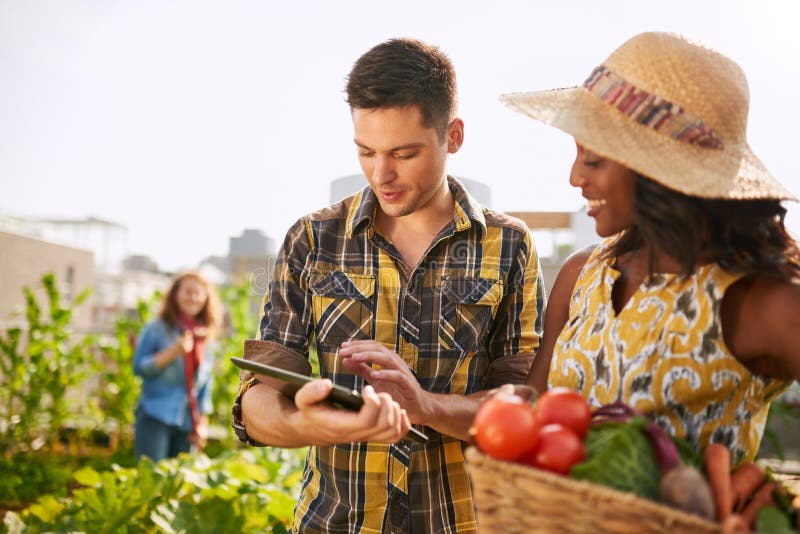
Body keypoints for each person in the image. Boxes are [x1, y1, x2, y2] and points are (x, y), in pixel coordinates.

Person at [232, 37, 545, 533]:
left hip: (461, 521)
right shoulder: (312, 239)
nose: (383, 175)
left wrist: (426, 407)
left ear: (454, 135)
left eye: (404, 153)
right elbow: (256, 399)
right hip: (333, 521)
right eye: (366, 151)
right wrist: (305, 423)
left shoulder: (509, 245)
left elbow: (523, 404)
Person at [500, 32, 800, 464]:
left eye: (594, 160)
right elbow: (527, 423)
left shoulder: (761, 301)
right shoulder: (581, 275)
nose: (574, 177)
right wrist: (419, 405)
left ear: (657, 171)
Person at [133, 270, 221, 461]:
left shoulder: (205, 338)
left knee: (179, 485)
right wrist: (174, 352)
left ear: (206, 299)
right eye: (188, 292)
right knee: (153, 482)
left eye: (199, 293)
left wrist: (202, 425)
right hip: (155, 415)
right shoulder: (156, 328)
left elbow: (205, 387)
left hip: (187, 423)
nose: (193, 297)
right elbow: (139, 368)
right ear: (175, 295)